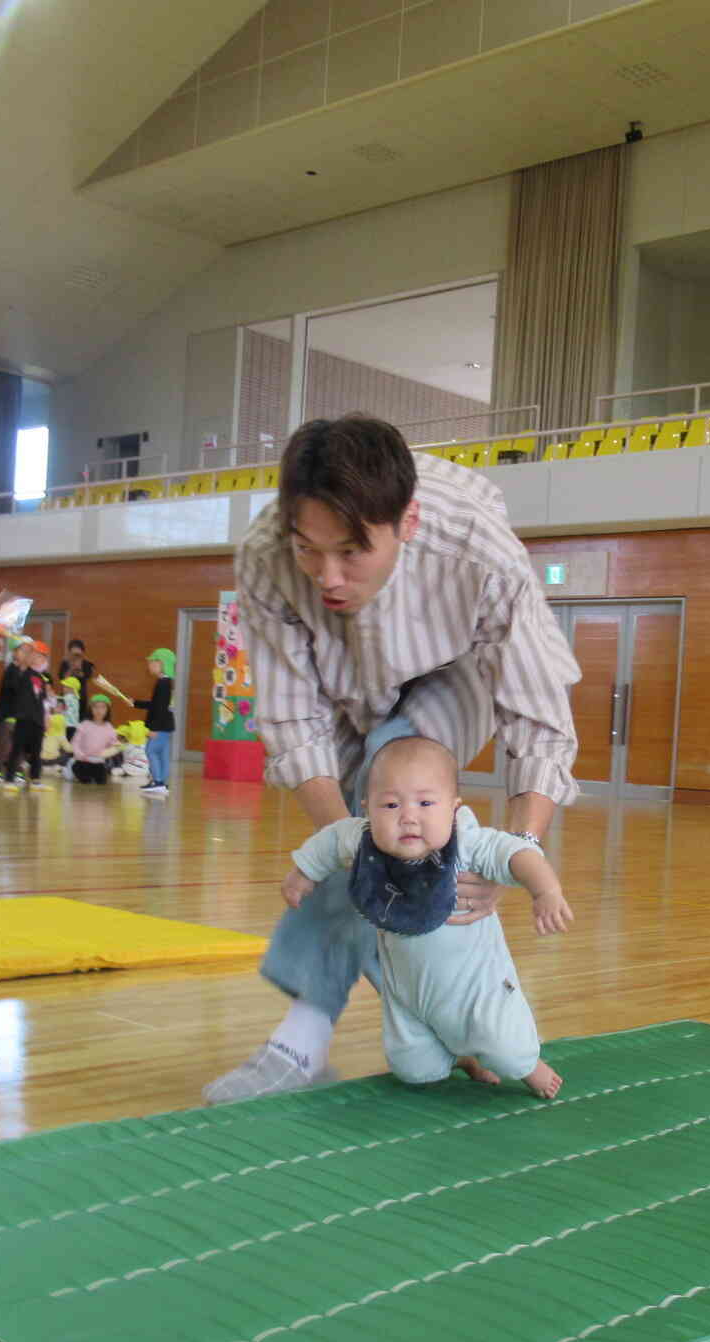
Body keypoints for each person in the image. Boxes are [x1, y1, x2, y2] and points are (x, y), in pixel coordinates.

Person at [204, 413, 580, 1104]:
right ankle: (441, 1021)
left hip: (454, 673)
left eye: (351, 552)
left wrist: (521, 850)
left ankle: (301, 1041)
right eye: (308, 550)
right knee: (373, 841)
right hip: (341, 684)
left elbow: (538, 716)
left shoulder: (478, 551)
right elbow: (292, 717)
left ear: (407, 522)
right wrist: (352, 848)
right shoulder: (265, 556)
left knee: (395, 775)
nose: (328, 575)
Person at [284, 737, 571, 1098]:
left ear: (453, 809)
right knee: (414, 1070)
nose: (408, 816)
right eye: (390, 804)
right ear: (367, 809)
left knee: (509, 1053)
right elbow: (327, 843)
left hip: (476, 991)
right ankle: (462, 1057)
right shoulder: (363, 842)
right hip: (408, 998)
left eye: (425, 803)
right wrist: (302, 874)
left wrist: (546, 891)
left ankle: (531, 1067)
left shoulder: (465, 843)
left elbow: (516, 853)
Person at [0, 636, 50, 790]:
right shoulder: (23, 672)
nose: (38, 659)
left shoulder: (41, 677)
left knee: (36, 751)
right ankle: (9, 779)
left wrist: (46, 718)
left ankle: (35, 779)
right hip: (23, 718)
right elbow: (15, 686)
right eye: (35, 655)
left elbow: (42, 699)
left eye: (42, 657)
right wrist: (23, 664)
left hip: (37, 720)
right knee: (16, 748)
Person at [131, 647, 176, 797]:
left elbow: (160, 708)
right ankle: (161, 782)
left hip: (160, 726)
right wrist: (136, 703)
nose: (149, 665)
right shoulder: (166, 682)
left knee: (150, 751)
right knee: (163, 754)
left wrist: (154, 729)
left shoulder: (163, 684)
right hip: (166, 726)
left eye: (152, 662)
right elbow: (156, 705)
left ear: (161, 663)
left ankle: (157, 781)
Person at [69, 694, 123, 783]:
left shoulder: (109, 727)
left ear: (107, 710)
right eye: (96, 707)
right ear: (91, 709)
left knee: (101, 782)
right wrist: (80, 755)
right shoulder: (84, 724)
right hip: (82, 761)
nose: (99, 710)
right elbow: (75, 743)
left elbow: (113, 743)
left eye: (103, 707)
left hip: (98, 762)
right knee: (85, 780)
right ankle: (70, 766)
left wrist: (118, 745)